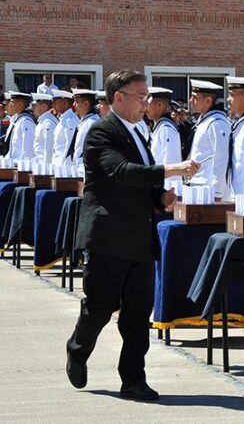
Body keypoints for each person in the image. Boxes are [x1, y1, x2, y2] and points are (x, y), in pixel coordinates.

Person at [66, 70, 201, 400]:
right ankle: (78, 349)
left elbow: (143, 183)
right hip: (108, 238)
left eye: (148, 97)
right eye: (141, 96)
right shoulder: (101, 133)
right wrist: (174, 168)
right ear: (119, 98)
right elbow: (122, 173)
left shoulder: (140, 132)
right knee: (99, 306)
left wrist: (160, 198)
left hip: (139, 238)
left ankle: (133, 379)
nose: (147, 103)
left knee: (138, 314)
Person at [187, 79, 230, 198]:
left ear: (208, 101)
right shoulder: (205, 120)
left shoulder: (217, 123)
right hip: (199, 184)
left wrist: (217, 192)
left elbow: (222, 158)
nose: (191, 100)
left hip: (208, 188)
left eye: (194, 97)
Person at [146, 87, 182, 169]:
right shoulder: (160, 126)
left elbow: (171, 164)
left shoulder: (166, 128)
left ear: (159, 105)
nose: (145, 108)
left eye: (148, 105)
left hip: (164, 180)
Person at [64, 89, 100, 166]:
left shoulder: (91, 123)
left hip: (85, 168)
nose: (73, 105)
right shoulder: (85, 122)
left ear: (86, 104)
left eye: (76, 102)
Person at [3, 91, 36, 160]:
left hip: (21, 166)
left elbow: (28, 149)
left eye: (12, 102)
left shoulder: (26, 121)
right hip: (14, 164)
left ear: (20, 104)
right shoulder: (18, 120)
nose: (9, 105)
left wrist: (24, 168)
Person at [51, 90, 79, 166]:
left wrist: (65, 167)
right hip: (58, 163)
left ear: (65, 103)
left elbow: (70, 147)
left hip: (64, 166)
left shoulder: (70, 120)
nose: (53, 106)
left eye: (55, 102)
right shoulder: (63, 119)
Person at [31, 93, 58, 163]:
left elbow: (49, 148)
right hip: (39, 163)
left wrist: (47, 169)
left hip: (44, 165)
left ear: (44, 106)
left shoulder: (47, 123)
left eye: (34, 106)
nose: (32, 108)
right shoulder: (42, 121)